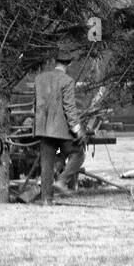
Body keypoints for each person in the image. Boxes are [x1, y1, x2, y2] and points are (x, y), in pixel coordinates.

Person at [32, 46, 86, 204]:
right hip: (61, 130)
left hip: (42, 128)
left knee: (46, 164)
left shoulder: (39, 79)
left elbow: (36, 104)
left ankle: (46, 200)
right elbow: (69, 107)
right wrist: (77, 130)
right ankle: (62, 181)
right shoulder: (67, 81)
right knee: (78, 153)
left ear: (55, 62)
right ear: (68, 64)